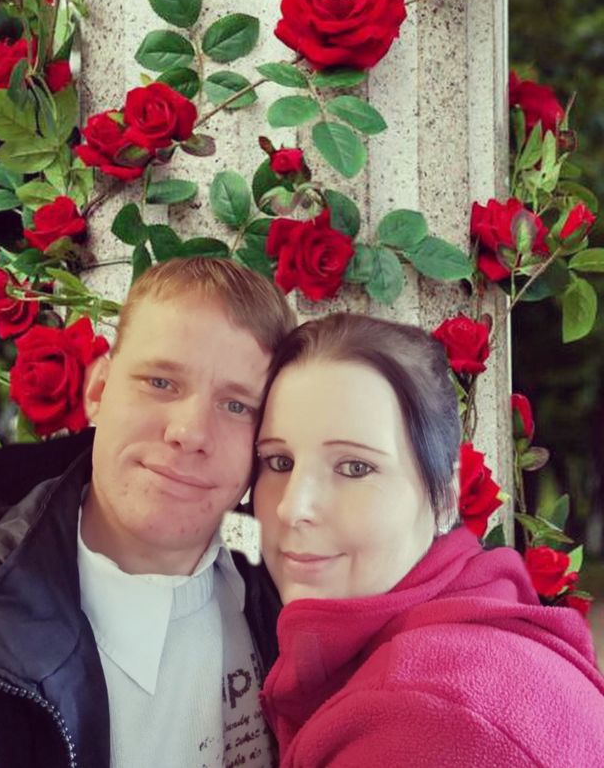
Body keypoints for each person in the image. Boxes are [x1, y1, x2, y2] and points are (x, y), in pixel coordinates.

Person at [0, 257, 295, 768]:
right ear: (98, 390)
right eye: (160, 382)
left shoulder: (278, 567)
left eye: (237, 406)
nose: (190, 432)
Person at [252, 312, 604, 768]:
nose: (291, 507)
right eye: (278, 462)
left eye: (355, 467)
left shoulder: (423, 717)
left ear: (445, 497)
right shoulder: (481, 623)